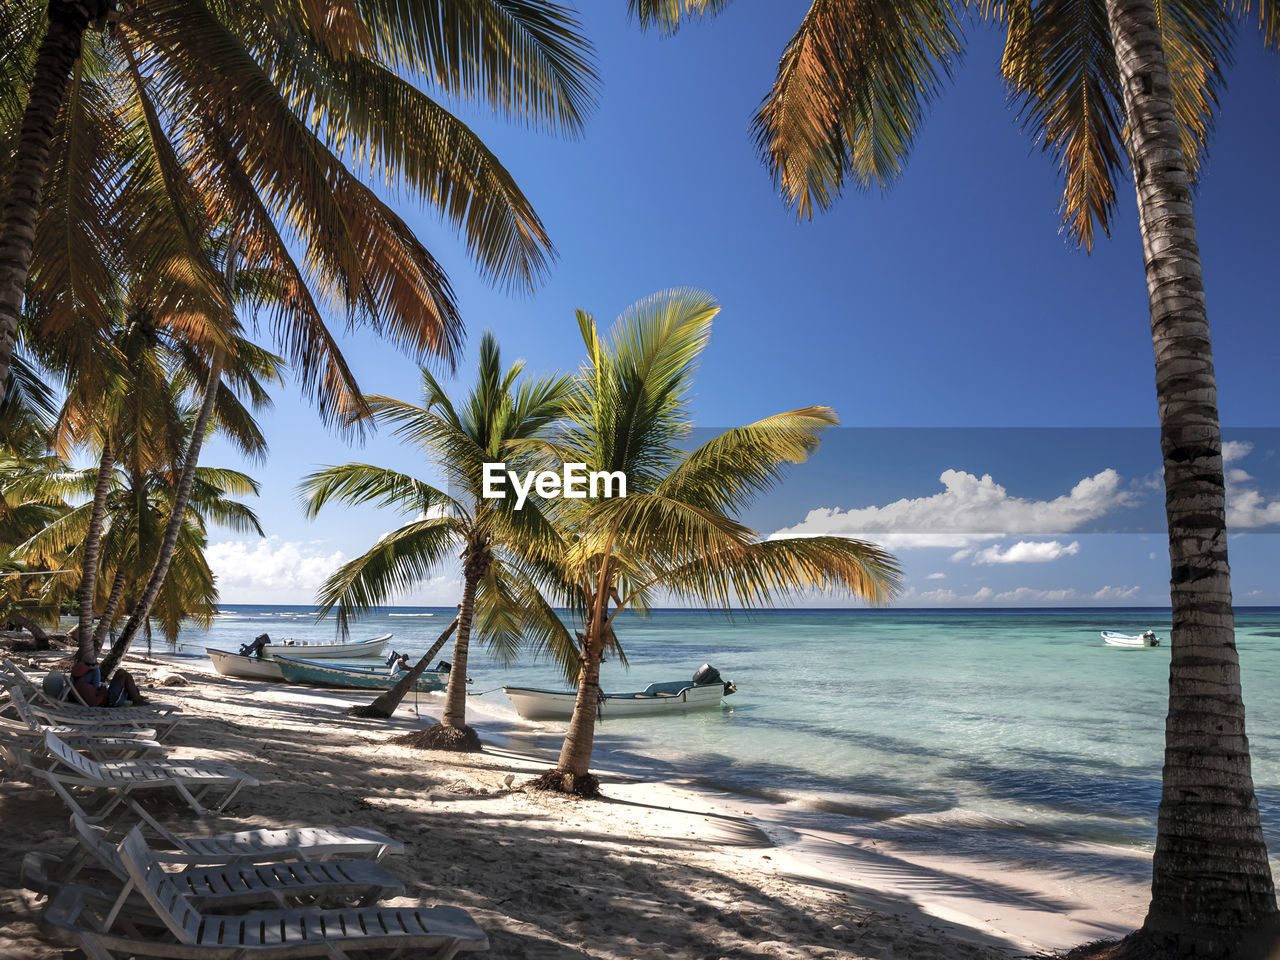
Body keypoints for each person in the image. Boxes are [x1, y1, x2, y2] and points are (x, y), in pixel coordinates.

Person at [70, 657, 149, 707]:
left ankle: (136, 697)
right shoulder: (83, 687)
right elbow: (94, 702)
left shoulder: (81, 684)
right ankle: (137, 700)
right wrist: (102, 690)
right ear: (84, 675)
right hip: (111, 700)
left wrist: (101, 689)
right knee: (122, 674)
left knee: (122, 673)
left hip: (109, 696)